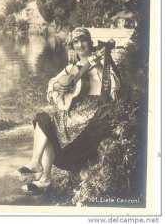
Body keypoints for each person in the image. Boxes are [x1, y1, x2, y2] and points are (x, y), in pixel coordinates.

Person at [16, 28, 121, 195]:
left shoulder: (101, 63)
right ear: (72, 45)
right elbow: (51, 84)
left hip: (93, 114)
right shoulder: (71, 68)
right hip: (74, 112)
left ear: (90, 42)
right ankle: (36, 164)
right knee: (44, 118)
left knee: (50, 123)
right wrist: (59, 86)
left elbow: (115, 87)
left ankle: (44, 179)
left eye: (83, 40)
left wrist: (99, 66)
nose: (80, 45)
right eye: (76, 42)